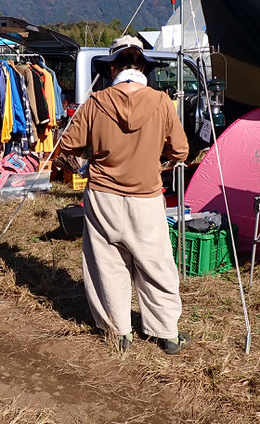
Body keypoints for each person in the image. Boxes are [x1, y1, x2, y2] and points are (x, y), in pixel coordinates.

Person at [57, 35, 190, 355]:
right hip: (146, 197)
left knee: (108, 265)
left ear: (112, 67)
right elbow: (182, 151)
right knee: (156, 265)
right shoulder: (161, 102)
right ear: (143, 66)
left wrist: (93, 152)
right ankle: (166, 333)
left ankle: (119, 332)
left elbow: (66, 145)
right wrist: (158, 160)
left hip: (103, 197)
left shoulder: (96, 102)